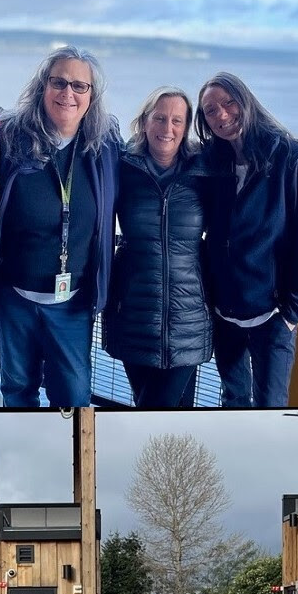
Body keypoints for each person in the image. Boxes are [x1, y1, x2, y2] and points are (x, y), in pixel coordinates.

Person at [0, 45, 120, 407]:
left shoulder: (105, 147)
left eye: (80, 86)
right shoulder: (7, 137)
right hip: (12, 298)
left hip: (73, 303)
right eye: (58, 82)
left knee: (75, 397)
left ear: (92, 96)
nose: (68, 94)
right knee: (18, 390)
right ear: (42, 87)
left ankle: (71, 462)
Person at [195, 72, 298, 407]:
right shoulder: (213, 162)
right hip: (225, 313)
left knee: (271, 405)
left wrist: (293, 311)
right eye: (210, 111)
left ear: (245, 101)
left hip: (272, 316)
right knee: (232, 400)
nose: (221, 114)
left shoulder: (289, 156)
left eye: (228, 102)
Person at [103, 87, 215, 407]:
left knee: (159, 410)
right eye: (160, 118)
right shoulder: (123, 167)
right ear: (145, 122)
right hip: (134, 314)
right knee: (157, 410)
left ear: (187, 126)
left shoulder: (204, 171)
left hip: (189, 317)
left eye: (177, 121)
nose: (168, 129)